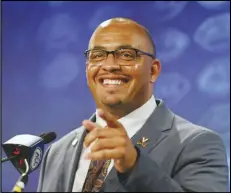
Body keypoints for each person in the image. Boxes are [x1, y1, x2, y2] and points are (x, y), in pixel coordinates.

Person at [37, 18, 229, 192]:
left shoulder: (197, 144)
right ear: (88, 69)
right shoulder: (58, 152)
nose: (110, 65)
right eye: (98, 55)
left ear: (153, 71)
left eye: (127, 55)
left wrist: (134, 165)